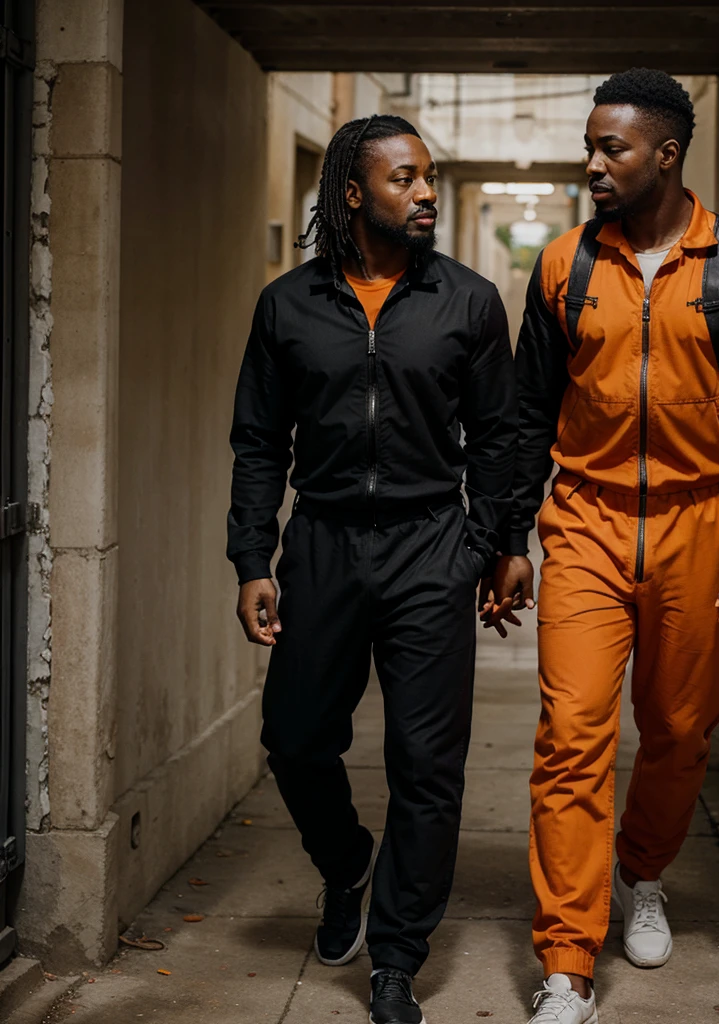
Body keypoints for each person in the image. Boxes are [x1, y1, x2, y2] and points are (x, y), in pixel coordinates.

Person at [484, 70, 719, 1023]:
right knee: (571, 740)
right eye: (589, 147)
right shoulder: (563, 268)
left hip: (698, 528)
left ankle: (642, 873)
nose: (592, 165)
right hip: (584, 525)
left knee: (678, 733)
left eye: (611, 149)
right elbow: (521, 419)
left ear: (666, 154)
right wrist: (510, 536)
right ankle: (566, 963)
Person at [227, 114, 516, 1024]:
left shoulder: (468, 301)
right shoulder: (288, 305)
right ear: (354, 192)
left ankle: (395, 958)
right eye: (405, 179)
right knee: (294, 735)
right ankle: (348, 861)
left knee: (428, 765)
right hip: (323, 544)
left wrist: (498, 543)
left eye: (429, 177)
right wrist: (251, 555)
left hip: (432, 544)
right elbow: (258, 441)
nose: (425, 192)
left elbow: (503, 437)